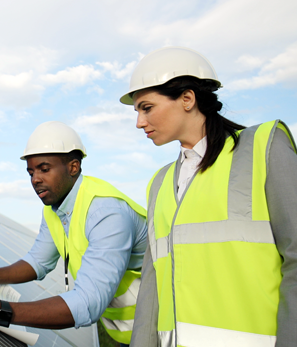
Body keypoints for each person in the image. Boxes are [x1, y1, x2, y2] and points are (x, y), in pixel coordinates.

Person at [120, 46, 297, 347]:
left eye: (146, 107)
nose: (139, 122)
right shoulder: (159, 183)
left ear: (187, 99)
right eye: (136, 111)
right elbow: (151, 287)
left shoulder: (264, 148)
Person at [0, 121, 149, 345]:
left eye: (44, 169)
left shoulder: (106, 213)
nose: (35, 179)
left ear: (73, 167)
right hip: (123, 329)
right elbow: (38, 261)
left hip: (157, 327)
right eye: (31, 172)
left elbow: (88, 303)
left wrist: (0, 310)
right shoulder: (55, 208)